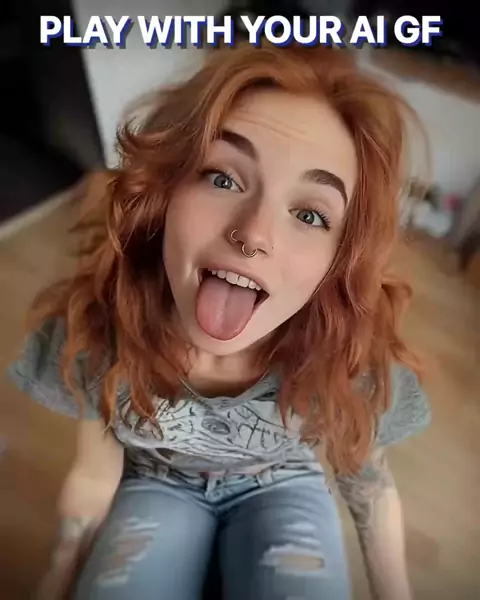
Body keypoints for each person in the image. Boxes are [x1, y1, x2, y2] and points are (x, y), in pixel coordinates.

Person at [8, 41, 431, 600]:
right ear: (163, 189)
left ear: (340, 259)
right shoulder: (100, 326)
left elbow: (370, 486)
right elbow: (93, 474)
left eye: (310, 214)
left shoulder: (349, 352)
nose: (253, 235)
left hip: (282, 485)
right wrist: (59, 574)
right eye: (223, 178)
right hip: (157, 483)